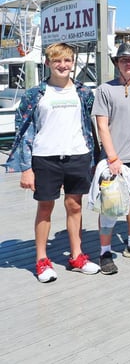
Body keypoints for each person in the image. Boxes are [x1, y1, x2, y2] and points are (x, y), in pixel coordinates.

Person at [5, 42, 100, 282]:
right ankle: (41, 260)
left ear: (72, 63)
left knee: (75, 205)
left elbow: (92, 126)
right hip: (45, 158)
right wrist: (26, 167)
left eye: (67, 60)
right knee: (45, 207)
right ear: (48, 63)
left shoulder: (84, 93)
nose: (63, 65)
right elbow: (24, 131)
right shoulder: (35, 94)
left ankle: (77, 256)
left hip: (78, 156)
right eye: (57, 60)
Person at [92, 43, 130, 274]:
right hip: (112, 158)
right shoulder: (105, 90)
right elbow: (102, 127)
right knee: (109, 205)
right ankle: (105, 251)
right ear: (117, 63)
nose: (129, 63)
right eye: (124, 59)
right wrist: (113, 157)